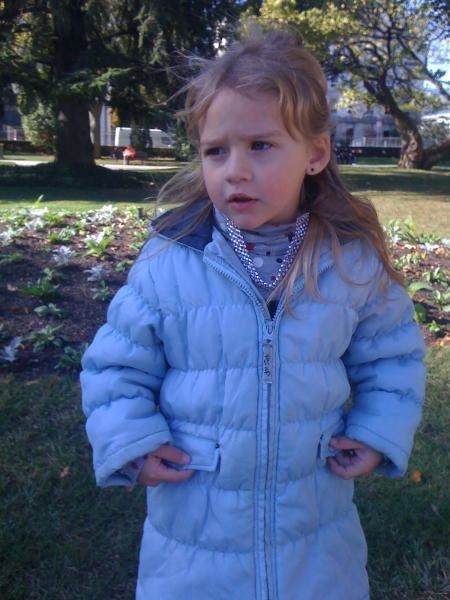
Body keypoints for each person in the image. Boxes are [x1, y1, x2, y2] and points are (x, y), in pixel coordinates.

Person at [80, 27, 426, 600]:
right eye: (216, 150)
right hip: (193, 540)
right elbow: (114, 367)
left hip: (315, 533)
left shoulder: (349, 261)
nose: (234, 170)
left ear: (315, 154)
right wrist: (132, 441)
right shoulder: (171, 259)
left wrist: (375, 431)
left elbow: (393, 358)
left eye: (260, 146)